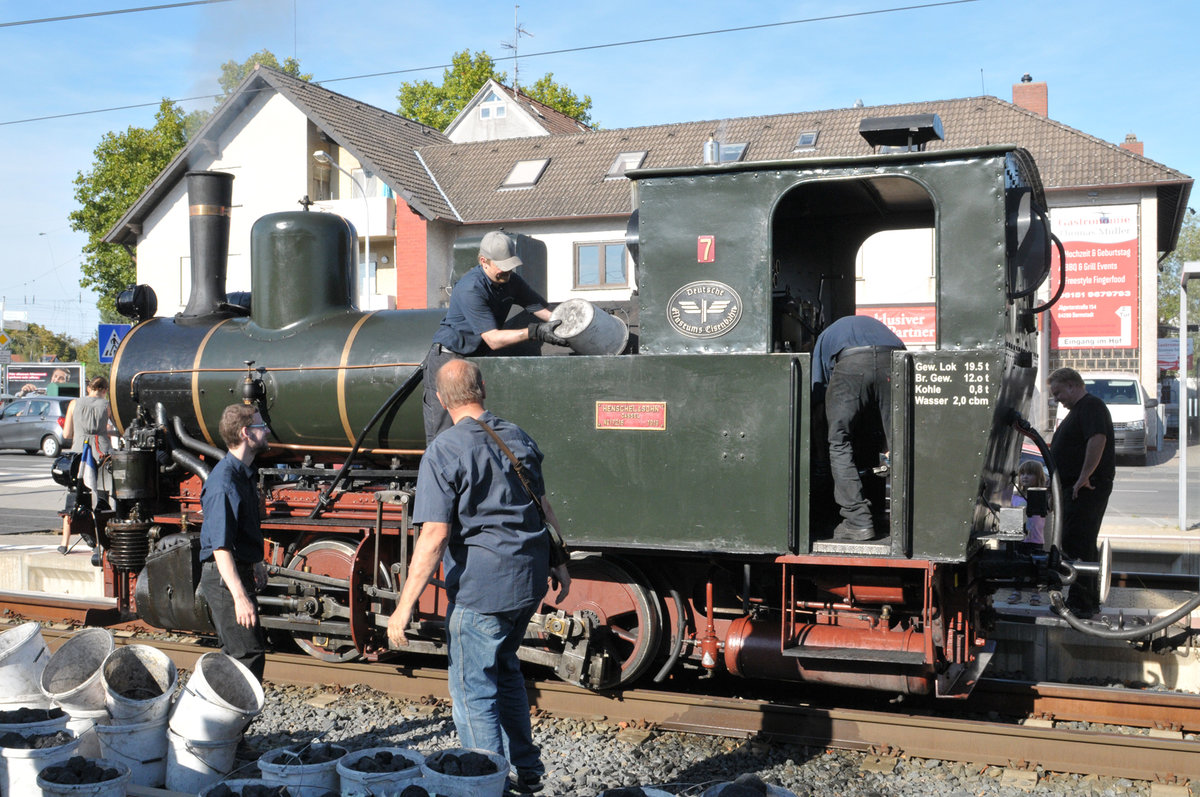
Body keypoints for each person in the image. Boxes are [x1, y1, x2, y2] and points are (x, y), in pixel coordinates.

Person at [389, 359, 571, 795]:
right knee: (505, 671)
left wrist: (404, 605)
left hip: (483, 589)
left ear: (440, 399)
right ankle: (527, 771)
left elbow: (433, 536)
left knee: (473, 691)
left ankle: (486, 783)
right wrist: (561, 560)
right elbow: (543, 507)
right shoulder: (516, 436)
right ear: (482, 389)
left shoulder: (444, 450)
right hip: (528, 582)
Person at [423, 231, 569, 443]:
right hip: (450, 359)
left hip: (476, 359)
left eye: (511, 265)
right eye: (502, 266)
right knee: (445, 433)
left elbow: (542, 310)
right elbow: (493, 339)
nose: (507, 271)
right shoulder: (470, 288)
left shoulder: (512, 281)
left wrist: (567, 324)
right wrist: (535, 332)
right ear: (484, 261)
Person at [811, 315, 906, 541]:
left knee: (839, 442)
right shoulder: (882, 328)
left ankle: (858, 521)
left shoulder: (825, 337)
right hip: (893, 360)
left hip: (850, 363)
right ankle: (904, 523)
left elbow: (819, 392)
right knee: (901, 439)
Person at [198, 404, 271, 680]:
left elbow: (242, 529)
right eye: (261, 426)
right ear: (246, 433)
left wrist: (256, 561)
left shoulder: (243, 474)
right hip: (223, 579)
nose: (266, 431)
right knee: (246, 657)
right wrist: (239, 597)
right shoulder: (224, 483)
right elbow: (221, 547)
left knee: (236, 656)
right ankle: (229, 722)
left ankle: (221, 722)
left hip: (234, 572)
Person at [1048, 367, 1114, 617]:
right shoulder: (1081, 409)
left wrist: (1083, 477)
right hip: (1076, 487)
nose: (1057, 399)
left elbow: (1098, 439)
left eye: (1058, 393)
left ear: (1072, 385)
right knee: (1075, 540)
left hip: (1085, 488)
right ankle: (1081, 599)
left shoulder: (1091, 406)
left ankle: (1082, 603)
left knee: (1079, 540)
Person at [59, 376, 115, 562]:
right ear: (105, 389)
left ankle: (64, 543)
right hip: (101, 452)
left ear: (89, 388)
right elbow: (116, 429)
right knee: (101, 497)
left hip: (78, 453)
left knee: (74, 496)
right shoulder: (107, 405)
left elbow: (66, 433)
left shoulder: (74, 403)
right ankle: (100, 545)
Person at [1013, 460, 1047, 545]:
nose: (1025, 477)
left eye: (1030, 474)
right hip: (1017, 540)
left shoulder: (1042, 496)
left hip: (1035, 541)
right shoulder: (1015, 497)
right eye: (1022, 474)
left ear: (1038, 477)